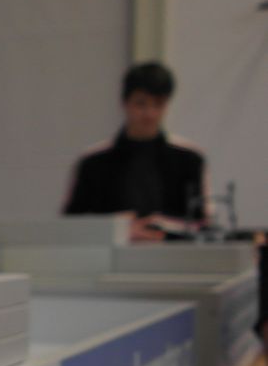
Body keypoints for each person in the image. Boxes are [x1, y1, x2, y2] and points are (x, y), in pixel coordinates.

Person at [63, 62, 206, 241]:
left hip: (172, 254)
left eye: (158, 104)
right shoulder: (93, 162)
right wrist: (119, 228)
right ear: (125, 103)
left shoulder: (189, 159)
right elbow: (71, 225)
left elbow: (203, 223)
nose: (150, 114)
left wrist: (162, 227)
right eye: (141, 104)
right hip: (109, 255)